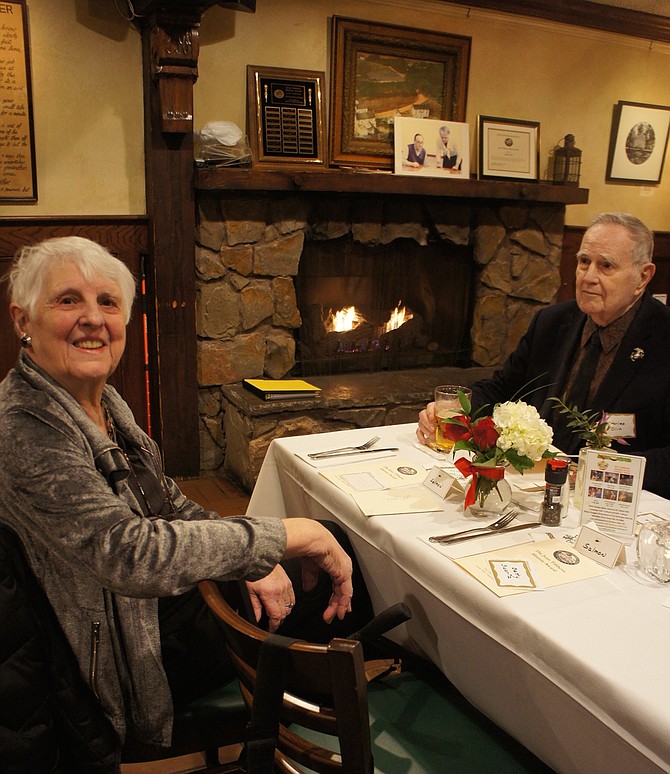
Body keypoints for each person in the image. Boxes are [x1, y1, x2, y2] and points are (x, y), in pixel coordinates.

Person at [0, 236, 373, 750]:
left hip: (150, 610)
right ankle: (343, 736)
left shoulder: (102, 401)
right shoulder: (25, 425)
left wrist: (252, 554)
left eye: (107, 302)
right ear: (22, 320)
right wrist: (275, 539)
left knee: (334, 548)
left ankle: (308, 710)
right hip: (111, 668)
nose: (93, 318)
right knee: (351, 573)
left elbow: (170, 505)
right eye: (68, 300)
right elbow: (128, 552)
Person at [417, 212, 670, 499]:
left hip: (619, 503)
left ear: (643, 276)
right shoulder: (552, 323)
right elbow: (503, 388)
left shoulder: (663, 339)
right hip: (531, 486)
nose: (588, 277)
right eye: (583, 262)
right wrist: (456, 409)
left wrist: (600, 472)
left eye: (606, 266)